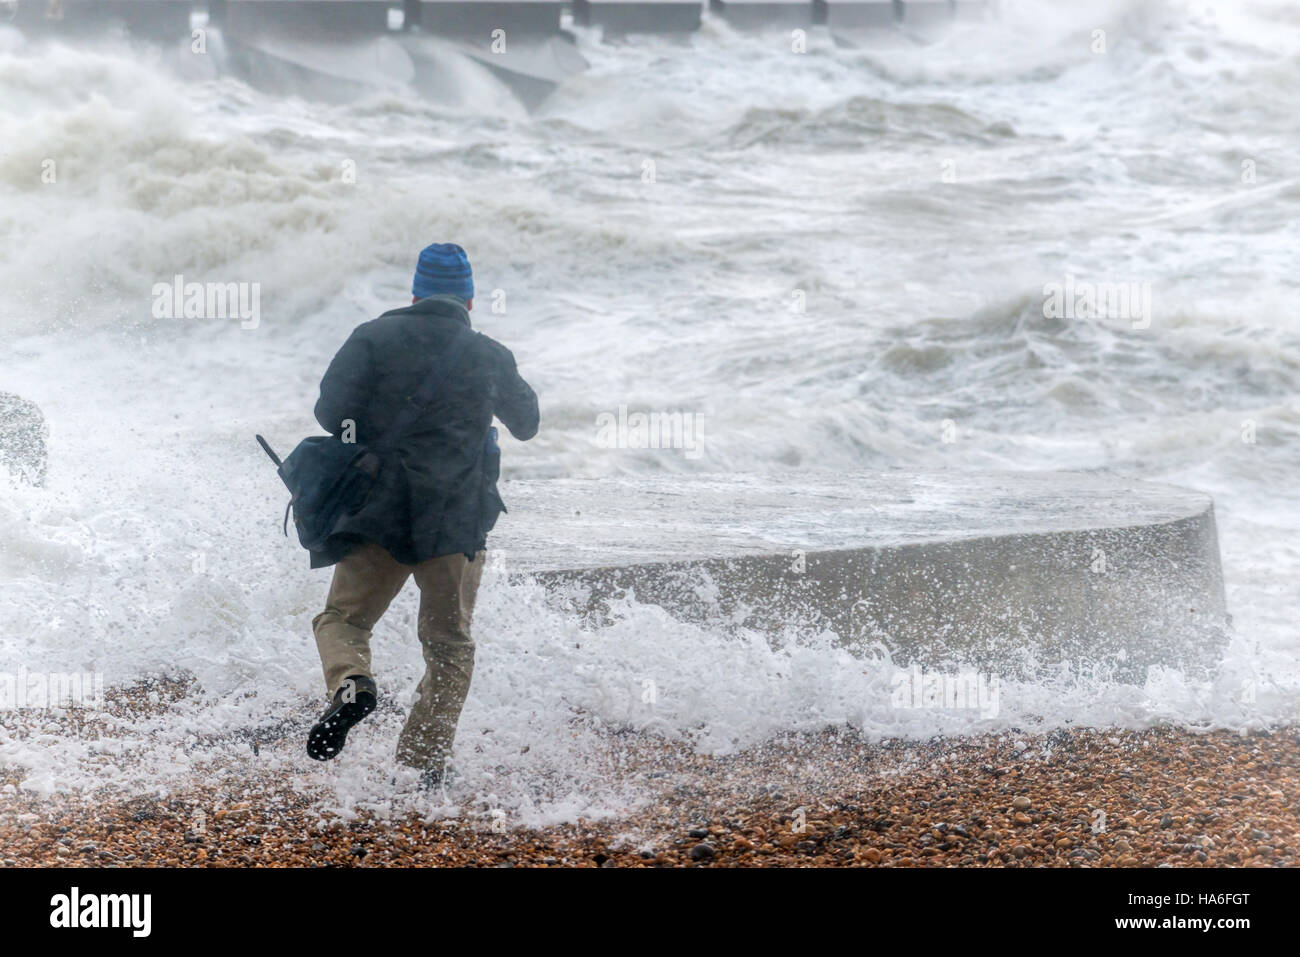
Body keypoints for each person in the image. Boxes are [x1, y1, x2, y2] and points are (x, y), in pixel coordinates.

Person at [304, 242, 538, 788]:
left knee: (343, 620)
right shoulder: (488, 354)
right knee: (448, 644)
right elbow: (526, 423)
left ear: (413, 292)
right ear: (470, 301)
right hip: (455, 522)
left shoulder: (371, 337)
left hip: (378, 513)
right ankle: (424, 762)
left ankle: (352, 681)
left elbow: (327, 411)